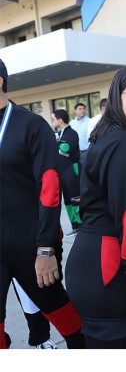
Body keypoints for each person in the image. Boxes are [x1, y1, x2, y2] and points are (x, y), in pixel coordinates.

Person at [65, 65, 126, 349]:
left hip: (104, 263)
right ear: (116, 98)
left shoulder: (118, 136)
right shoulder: (124, 143)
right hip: (108, 269)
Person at [0, 58, 85, 349]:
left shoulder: (30, 125)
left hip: (30, 243)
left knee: (64, 317)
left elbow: (49, 188)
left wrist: (46, 247)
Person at [51, 109, 82, 237]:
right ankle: (75, 225)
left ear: (60, 120)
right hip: (63, 172)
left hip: (71, 171)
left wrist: (55, 143)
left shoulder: (71, 133)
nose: (51, 122)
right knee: (68, 200)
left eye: (53, 119)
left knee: (75, 198)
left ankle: (81, 225)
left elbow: (65, 149)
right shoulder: (61, 133)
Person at [69, 102, 90, 167]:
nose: (82, 110)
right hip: (75, 153)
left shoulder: (90, 121)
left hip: (87, 152)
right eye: (80, 109)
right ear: (75, 111)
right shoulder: (72, 123)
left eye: (83, 109)